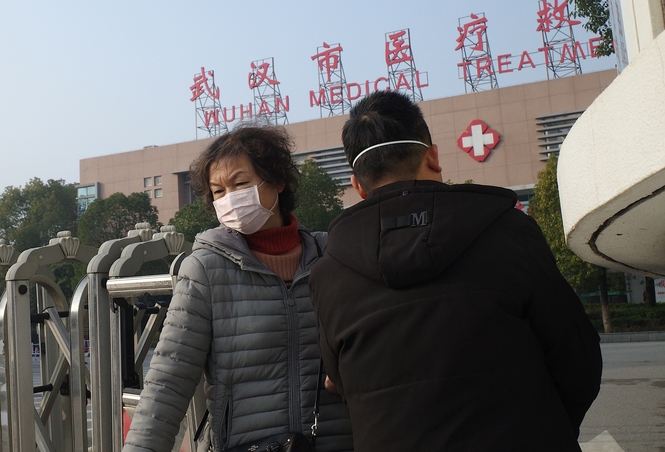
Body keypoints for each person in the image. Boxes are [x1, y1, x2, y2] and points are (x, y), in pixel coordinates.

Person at [309, 91, 602, 452]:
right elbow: (579, 360)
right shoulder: (510, 233)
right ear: (433, 156)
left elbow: (342, 382)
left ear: (357, 184)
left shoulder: (328, 274)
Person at [124, 125, 353, 452]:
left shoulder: (332, 258)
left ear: (277, 180)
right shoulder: (205, 269)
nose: (230, 199)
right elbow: (168, 382)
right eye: (219, 191)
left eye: (241, 184)